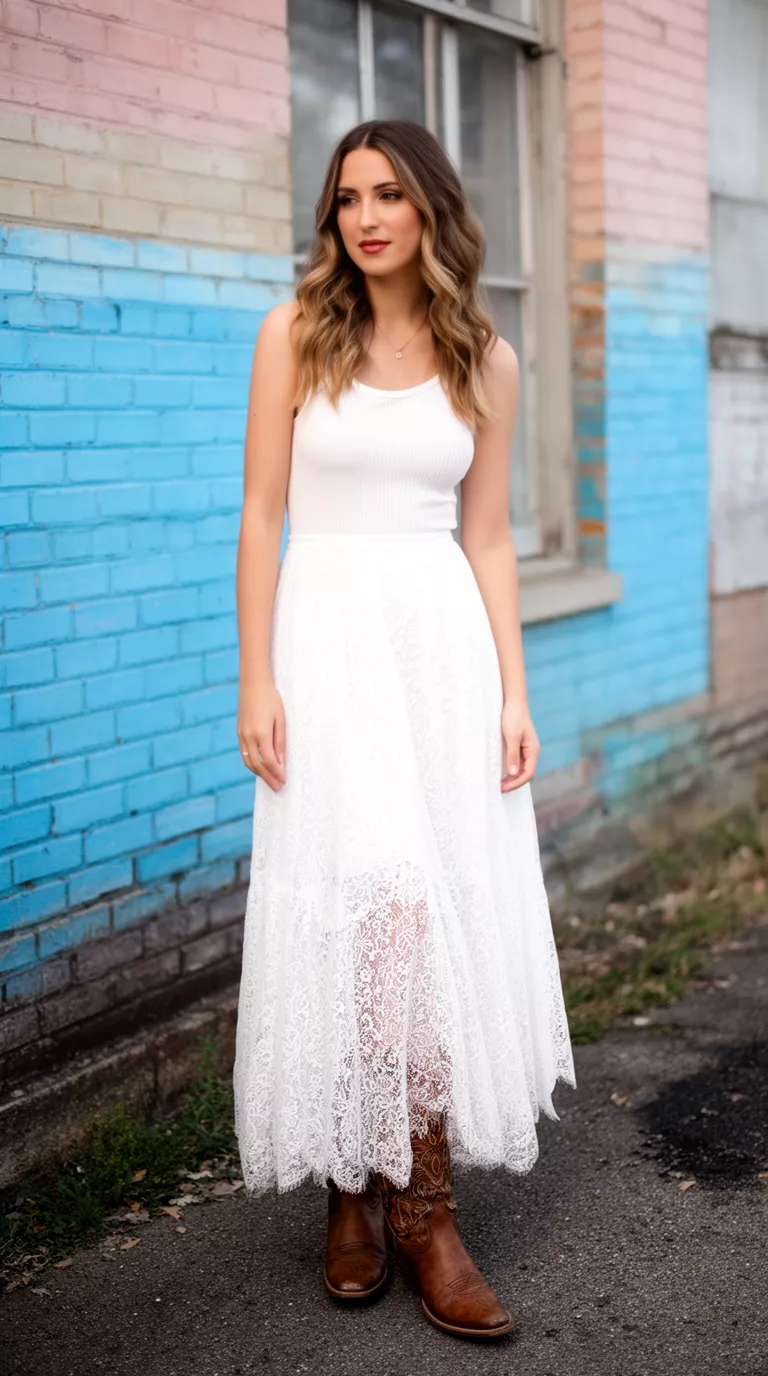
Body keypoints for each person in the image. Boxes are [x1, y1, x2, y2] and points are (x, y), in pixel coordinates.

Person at [232, 118, 576, 1341]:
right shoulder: (293, 337)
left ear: (430, 207)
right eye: (345, 198)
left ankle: (422, 1204)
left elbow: (487, 537)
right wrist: (255, 678)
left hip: (437, 653)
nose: (365, 216)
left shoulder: (486, 356)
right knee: (351, 908)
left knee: (421, 918)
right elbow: (264, 515)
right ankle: (347, 1181)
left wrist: (514, 690)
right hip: (324, 655)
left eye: (388, 194)